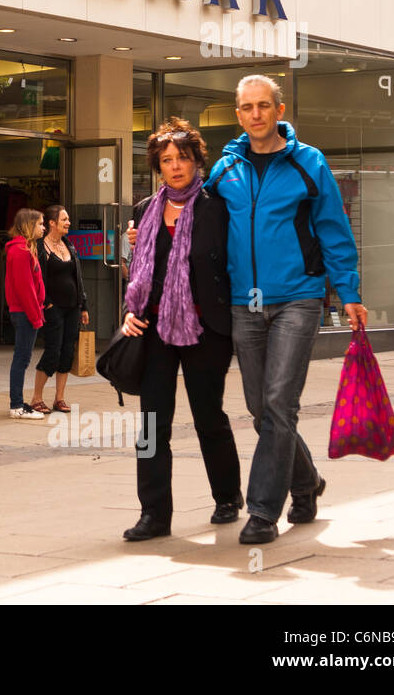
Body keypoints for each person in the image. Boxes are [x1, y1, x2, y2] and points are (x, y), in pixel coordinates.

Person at [208, 74, 368, 545]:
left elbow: (333, 229)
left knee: (280, 402)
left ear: (279, 110)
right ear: (238, 114)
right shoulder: (226, 168)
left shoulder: (308, 162)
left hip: (298, 297)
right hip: (245, 302)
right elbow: (196, 218)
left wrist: (349, 291)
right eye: (246, 107)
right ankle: (306, 482)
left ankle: (262, 511)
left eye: (263, 105)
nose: (255, 114)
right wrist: (144, 229)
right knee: (261, 409)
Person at [119, 118, 242, 540]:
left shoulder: (216, 207)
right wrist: (129, 310)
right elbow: (139, 272)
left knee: (208, 416)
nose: (175, 166)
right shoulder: (144, 211)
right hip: (154, 328)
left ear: (196, 161)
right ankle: (154, 515)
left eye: (183, 158)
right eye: (167, 159)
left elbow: (232, 265)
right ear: (158, 165)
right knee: (153, 424)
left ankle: (227, 496)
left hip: (205, 328)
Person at [32, 204, 88, 414]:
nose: (68, 223)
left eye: (68, 219)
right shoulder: (40, 247)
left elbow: (78, 278)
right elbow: (36, 278)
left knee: (67, 352)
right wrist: (46, 302)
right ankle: (37, 398)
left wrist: (83, 306)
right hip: (52, 308)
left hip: (73, 307)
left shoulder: (69, 245)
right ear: (52, 223)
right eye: (64, 220)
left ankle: (59, 398)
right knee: (52, 351)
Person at [4, 208, 46, 420]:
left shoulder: (25, 248)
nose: (43, 228)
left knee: (22, 358)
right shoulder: (21, 251)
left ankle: (18, 404)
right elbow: (25, 288)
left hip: (26, 311)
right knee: (21, 359)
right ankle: (17, 406)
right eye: (40, 224)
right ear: (29, 225)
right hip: (24, 312)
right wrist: (36, 316)